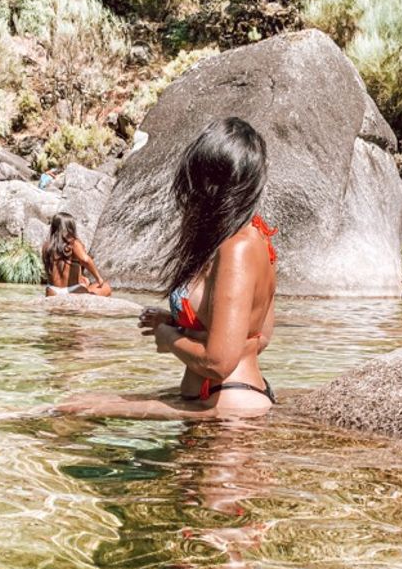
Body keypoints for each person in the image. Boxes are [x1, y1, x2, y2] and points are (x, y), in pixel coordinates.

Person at [58, 117, 277, 420]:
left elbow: (219, 363)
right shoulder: (256, 238)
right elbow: (258, 338)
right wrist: (184, 325)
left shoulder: (235, 250)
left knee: (72, 411)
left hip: (227, 410)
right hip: (229, 400)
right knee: (82, 402)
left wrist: (169, 338)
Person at [42, 212, 112, 297]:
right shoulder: (73, 243)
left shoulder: (46, 246)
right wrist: (99, 279)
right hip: (72, 291)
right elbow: (85, 260)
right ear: (71, 227)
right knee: (106, 287)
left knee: (85, 282)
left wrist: (81, 278)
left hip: (52, 291)